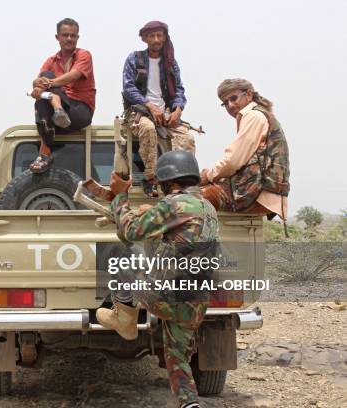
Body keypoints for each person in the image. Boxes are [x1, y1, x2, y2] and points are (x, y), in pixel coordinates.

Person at [96, 151, 219, 408]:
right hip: (195, 300)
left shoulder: (175, 204)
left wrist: (120, 197)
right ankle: (189, 403)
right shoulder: (207, 207)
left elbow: (131, 231)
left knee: (122, 257)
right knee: (177, 357)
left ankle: (125, 319)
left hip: (166, 298)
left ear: (169, 183)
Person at [122, 20, 195, 197]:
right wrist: (150, 106)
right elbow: (129, 88)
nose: (156, 39)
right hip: (139, 112)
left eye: (159, 35)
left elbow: (179, 89)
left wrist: (177, 109)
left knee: (187, 138)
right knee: (148, 129)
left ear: (164, 37)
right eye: (152, 36)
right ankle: (150, 178)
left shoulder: (170, 63)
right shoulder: (135, 59)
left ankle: (179, 182)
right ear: (145, 38)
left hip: (166, 113)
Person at [200, 78, 290, 220]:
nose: (230, 105)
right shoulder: (261, 114)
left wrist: (207, 175)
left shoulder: (253, 115)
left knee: (190, 201)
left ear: (248, 94)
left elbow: (233, 161)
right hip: (266, 192)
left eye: (233, 98)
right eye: (225, 103)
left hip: (256, 193)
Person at [28, 17, 96, 173]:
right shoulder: (51, 60)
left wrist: (47, 86)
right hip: (59, 117)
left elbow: (74, 75)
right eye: (65, 35)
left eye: (73, 35)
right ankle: (45, 153)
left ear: (78, 37)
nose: (69, 39)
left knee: (49, 84)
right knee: (40, 100)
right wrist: (37, 87)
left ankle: (56, 104)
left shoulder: (84, 55)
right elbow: (37, 81)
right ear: (57, 37)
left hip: (80, 110)